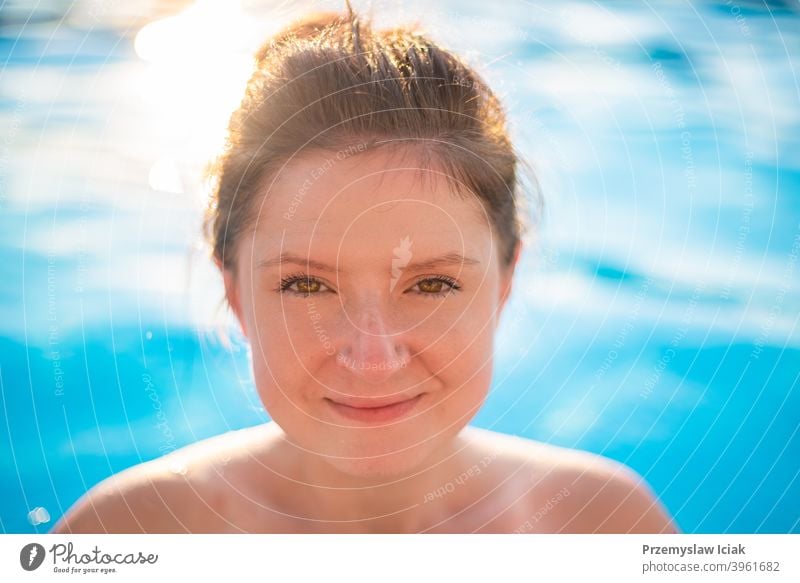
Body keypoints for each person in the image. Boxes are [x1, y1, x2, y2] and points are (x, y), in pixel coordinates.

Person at [52, 3, 679, 534]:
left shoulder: (604, 526)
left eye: (433, 283)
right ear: (235, 295)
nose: (372, 357)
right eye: (305, 284)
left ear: (505, 283)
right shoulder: (128, 534)